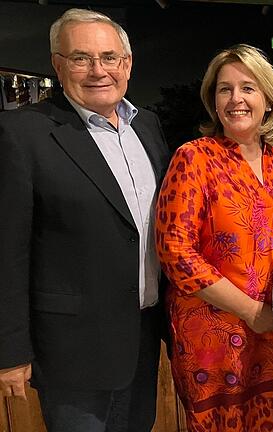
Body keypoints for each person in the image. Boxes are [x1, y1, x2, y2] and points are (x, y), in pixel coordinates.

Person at [0, 8, 169, 432]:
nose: (98, 70)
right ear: (58, 65)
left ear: (126, 64)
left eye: (109, 57)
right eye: (81, 58)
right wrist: (9, 351)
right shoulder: (22, 133)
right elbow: (7, 250)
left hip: (144, 337)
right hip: (72, 351)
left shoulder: (147, 126)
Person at [154, 44, 273, 430]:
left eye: (248, 88)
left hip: (272, 335)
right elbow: (176, 253)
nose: (236, 99)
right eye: (225, 89)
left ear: (269, 99)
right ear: (213, 101)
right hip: (213, 341)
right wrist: (250, 311)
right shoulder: (194, 158)